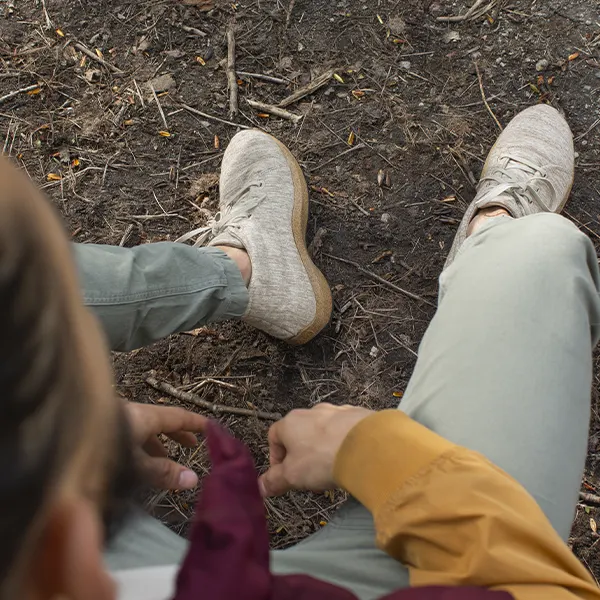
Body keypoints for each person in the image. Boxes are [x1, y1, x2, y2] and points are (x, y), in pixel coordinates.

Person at [2, 103, 600, 600]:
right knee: (537, 257)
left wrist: (53, 444)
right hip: (450, 559)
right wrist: (375, 453)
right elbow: (527, 586)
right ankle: (493, 236)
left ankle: (245, 271)